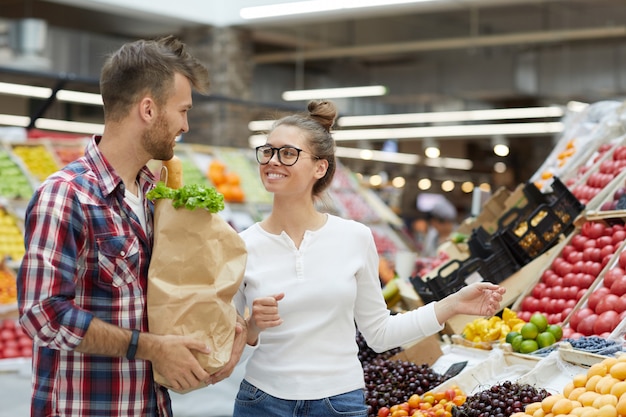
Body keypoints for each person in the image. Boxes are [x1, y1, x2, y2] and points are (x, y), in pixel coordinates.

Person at [16, 35, 247, 417]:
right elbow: (43, 314)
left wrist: (228, 332)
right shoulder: (67, 195)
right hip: (86, 407)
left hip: (149, 404)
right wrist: (154, 348)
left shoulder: (157, 196)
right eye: (182, 110)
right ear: (148, 109)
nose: (186, 125)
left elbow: (178, 288)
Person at [232, 99, 506, 417]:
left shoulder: (354, 238)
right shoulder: (241, 245)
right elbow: (227, 346)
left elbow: (379, 333)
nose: (273, 161)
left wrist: (453, 305)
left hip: (338, 404)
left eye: (288, 153)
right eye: (267, 151)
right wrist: (251, 326)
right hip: (261, 401)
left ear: (320, 167)